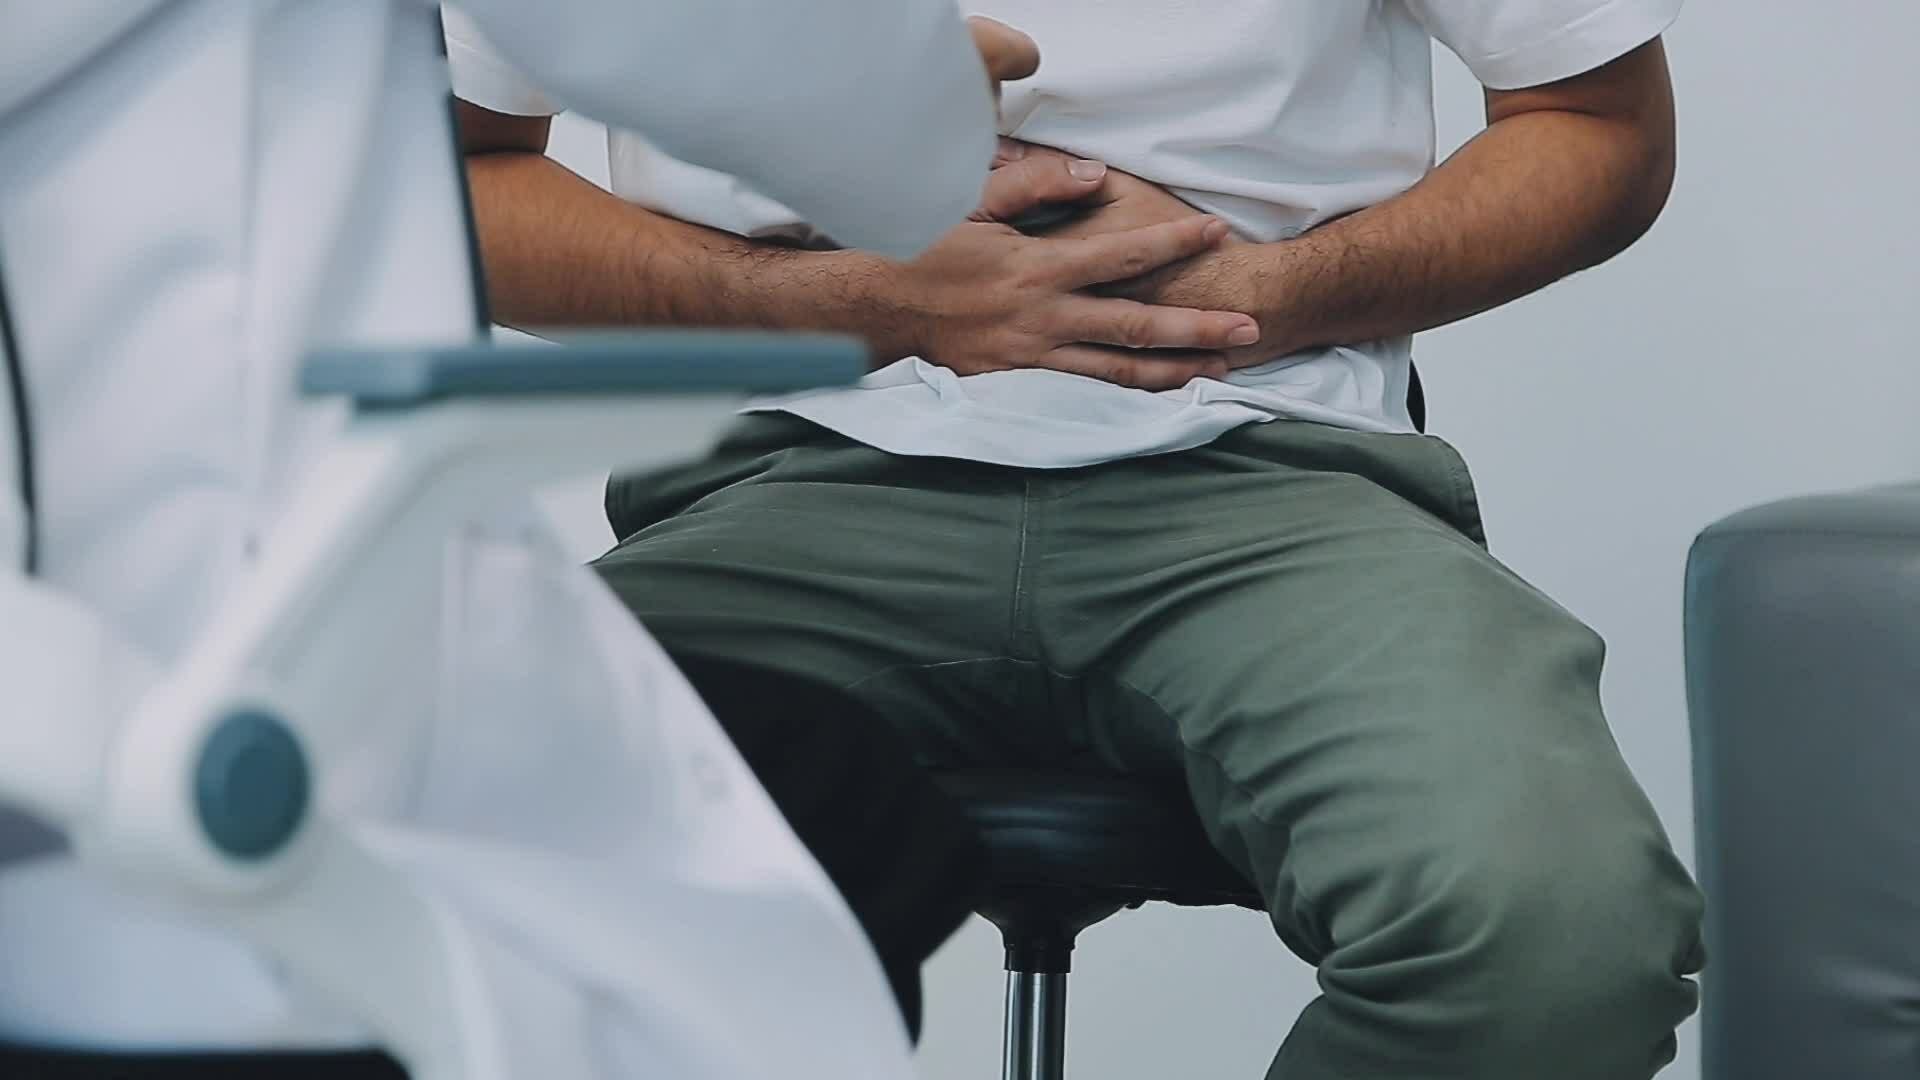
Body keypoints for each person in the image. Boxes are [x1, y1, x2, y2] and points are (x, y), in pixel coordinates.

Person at [451, 1, 1709, 1077]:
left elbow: (1598, 124)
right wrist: (856, 302)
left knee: (1558, 943)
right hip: (786, 473)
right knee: (440, 877)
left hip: (1266, 479)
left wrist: (1270, 295)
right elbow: (455, 164)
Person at [0, 2, 1065, 1077]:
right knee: (841, 813)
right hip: (190, 772)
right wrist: (926, 100)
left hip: (77, 688)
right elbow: (824, 98)